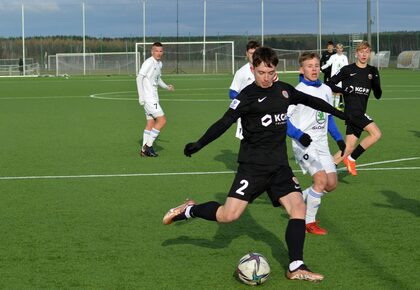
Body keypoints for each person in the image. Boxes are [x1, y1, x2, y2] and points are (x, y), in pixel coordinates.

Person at [163, 47, 351, 282]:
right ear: (253, 69)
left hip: (279, 167)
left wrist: (341, 114)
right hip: (252, 167)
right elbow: (224, 122)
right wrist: (200, 143)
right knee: (227, 215)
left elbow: (311, 100)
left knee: (298, 209)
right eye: (261, 72)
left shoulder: (284, 90)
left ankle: (296, 266)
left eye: (270, 72)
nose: (265, 77)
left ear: (276, 70)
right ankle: (189, 210)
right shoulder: (246, 96)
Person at [287, 52, 346, 235]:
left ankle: (298, 200)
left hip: (322, 144)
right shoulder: (296, 92)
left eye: (316, 65)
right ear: (301, 69)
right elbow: (282, 120)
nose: (313, 69)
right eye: (309, 66)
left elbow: (328, 118)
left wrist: (338, 139)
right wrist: (298, 135)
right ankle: (308, 222)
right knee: (320, 180)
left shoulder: (326, 90)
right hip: (303, 143)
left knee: (331, 184)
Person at [326, 41, 382, 176]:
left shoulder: (372, 71)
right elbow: (329, 84)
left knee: (349, 147)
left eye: (367, 52)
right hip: (352, 112)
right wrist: (344, 90)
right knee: (376, 134)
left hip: (360, 111)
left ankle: (327, 170)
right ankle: (351, 159)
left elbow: (378, 95)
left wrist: (376, 83)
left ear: (369, 54)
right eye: (361, 52)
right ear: (356, 54)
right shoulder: (348, 70)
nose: (364, 54)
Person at [136, 42, 174, 157]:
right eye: (156, 51)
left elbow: (158, 79)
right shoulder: (148, 63)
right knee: (162, 121)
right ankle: (148, 145)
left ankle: (143, 151)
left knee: (151, 123)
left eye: (160, 51)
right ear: (152, 51)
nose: (158, 53)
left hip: (154, 98)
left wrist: (167, 87)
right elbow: (139, 78)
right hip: (149, 98)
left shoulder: (159, 64)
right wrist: (141, 96)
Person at [321, 43, 349, 108]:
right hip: (333, 77)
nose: (339, 50)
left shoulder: (344, 57)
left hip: (341, 78)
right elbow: (328, 64)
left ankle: (336, 106)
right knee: (332, 91)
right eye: (338, 48)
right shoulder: (333, 57)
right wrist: (321, 68)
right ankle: (331, 106)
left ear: (342, 49)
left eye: (340, 48)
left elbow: (347, 67)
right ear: (336, 49)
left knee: (338, 92)